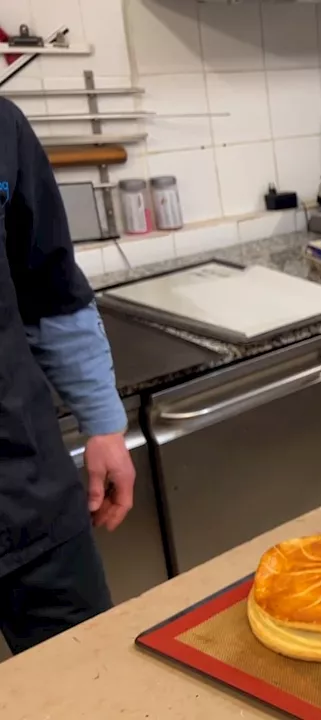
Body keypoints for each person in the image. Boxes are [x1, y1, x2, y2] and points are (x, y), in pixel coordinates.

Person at [0, 96, 134, 654]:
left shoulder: (2, 127)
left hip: (29, 494)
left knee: (95, 682)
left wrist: (104, 425)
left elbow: (50, 289)